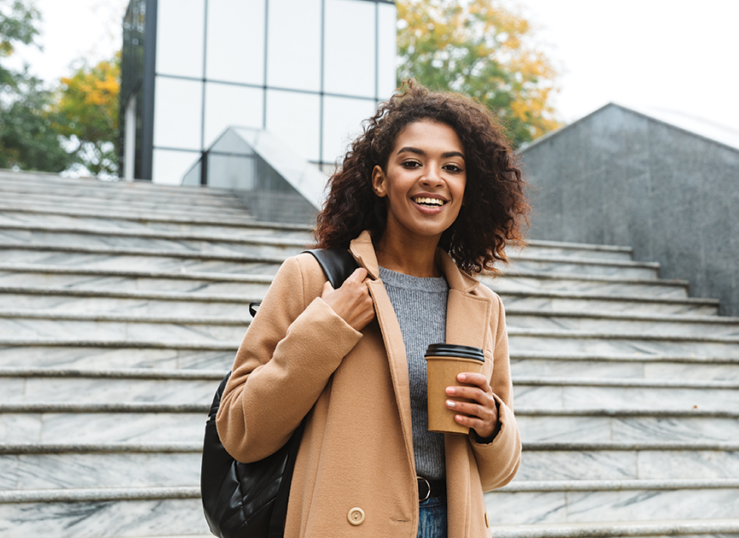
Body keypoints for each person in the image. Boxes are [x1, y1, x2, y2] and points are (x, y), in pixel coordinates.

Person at [216, 80, 529, 538]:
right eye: (412, 162)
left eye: (452, 167)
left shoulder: (482, 306)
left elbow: (500, 472)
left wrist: (492, 425)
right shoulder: (315, 279)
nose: (433, 178)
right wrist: (328, 327)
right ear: (381, 180)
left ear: (467, 187)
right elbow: (241, 431)